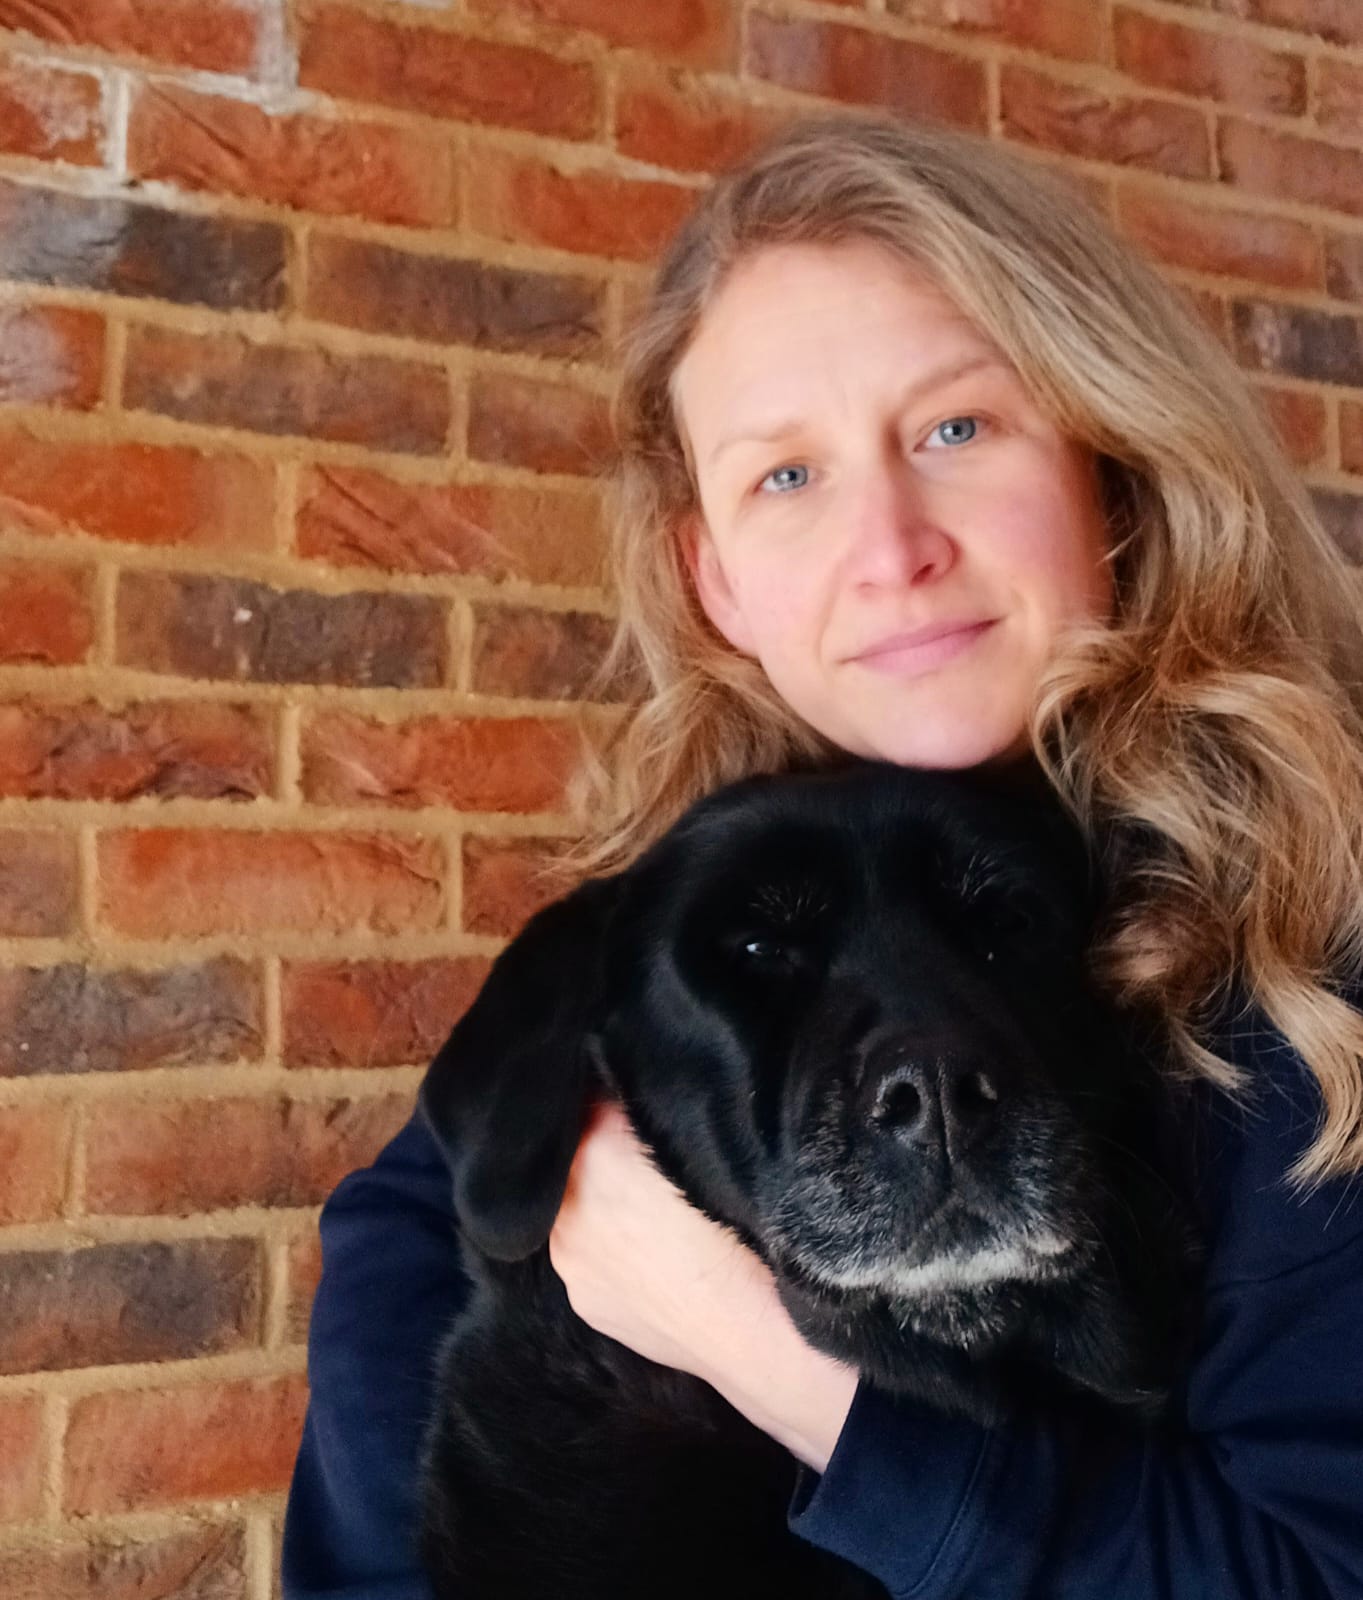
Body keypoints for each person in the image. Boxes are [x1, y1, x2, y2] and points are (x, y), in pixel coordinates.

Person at [281, 110, 1363, 1598]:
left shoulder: (1314, 953)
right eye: (787, 476)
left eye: (956, 429)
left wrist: (750, 1336)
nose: (891, 544)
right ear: (712, 575)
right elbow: (406, 1227)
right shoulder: (725, 877)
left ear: (1113, 467)